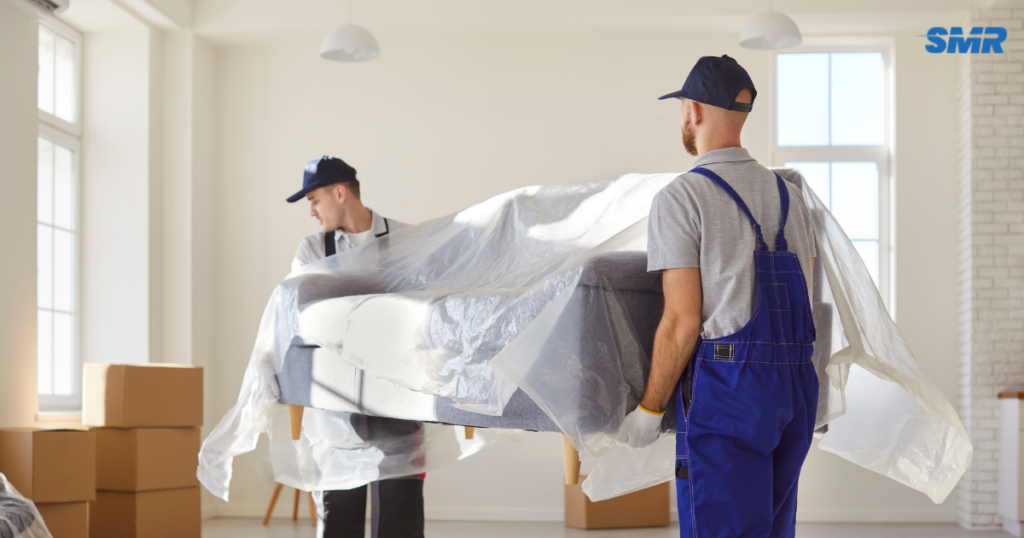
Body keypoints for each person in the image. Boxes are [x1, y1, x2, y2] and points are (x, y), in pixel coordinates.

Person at [615, 55, 818, 538]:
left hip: (730, 392)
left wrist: (650, 409)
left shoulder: (681, 198)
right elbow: (809, 296)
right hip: (795, 390)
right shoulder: (792, 198)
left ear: (694, 110)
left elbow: (682, 321)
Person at [286, 155, 425, 538]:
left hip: (398, 389)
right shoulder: (312, 250)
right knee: (339, 499)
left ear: (339, 192)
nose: (312, 212)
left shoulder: (406, 240)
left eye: (314, 200)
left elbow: (426, 308)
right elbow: (302, 314)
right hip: (335, 391)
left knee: (400, 494)